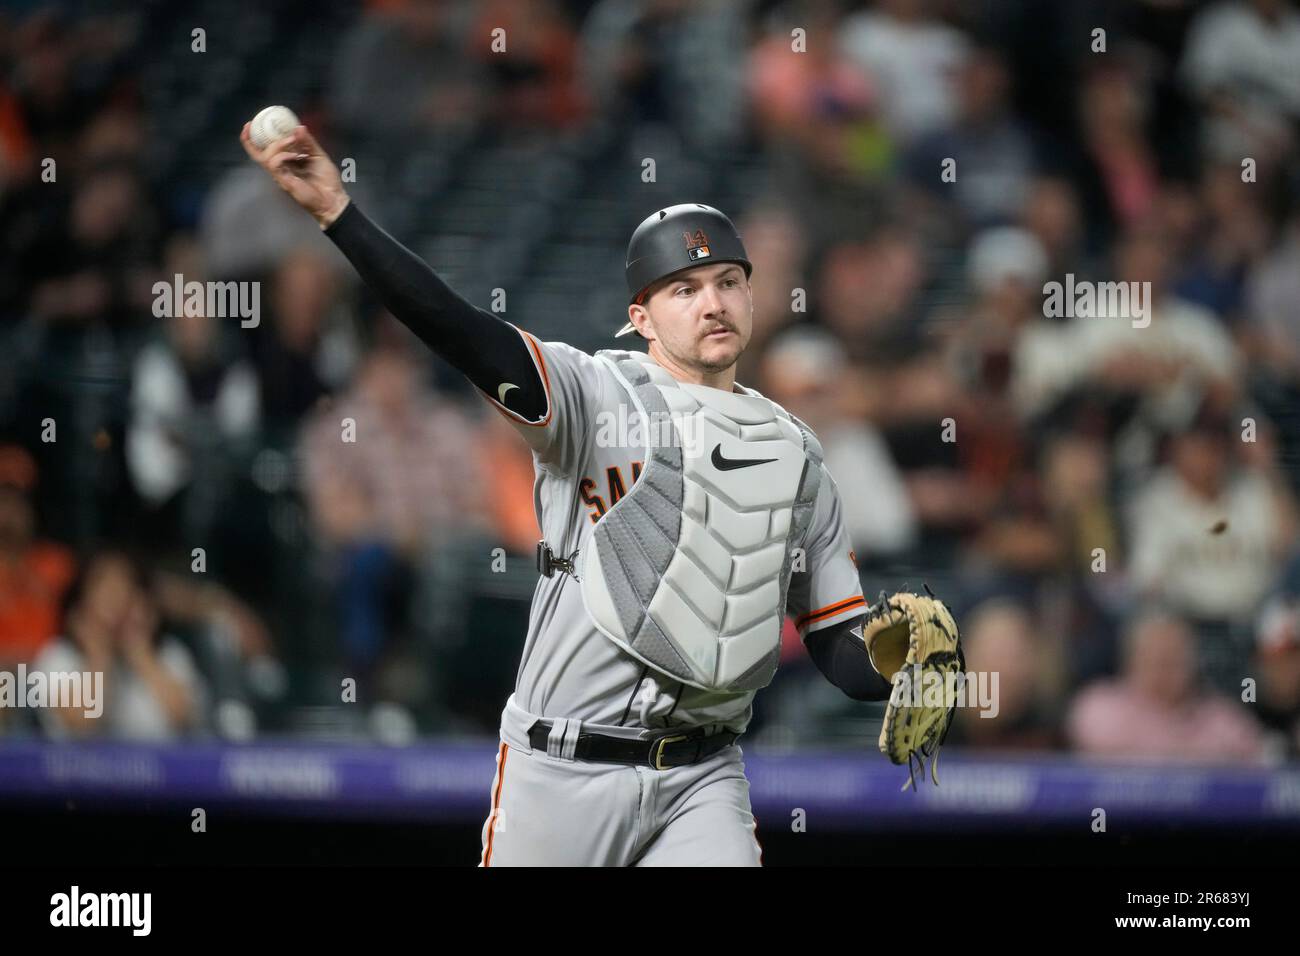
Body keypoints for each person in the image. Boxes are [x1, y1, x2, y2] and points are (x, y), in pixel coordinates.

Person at [240, 119, 896, 867]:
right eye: (684, 288)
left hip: (702, 777)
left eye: (728, 282)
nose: (713, 302)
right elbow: (456, 327)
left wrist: (901, 664)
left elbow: (835, 640)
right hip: (563, 768)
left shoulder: (796, 454)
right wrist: (339, 216)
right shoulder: (593, 393)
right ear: (641, 319)